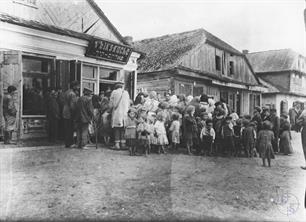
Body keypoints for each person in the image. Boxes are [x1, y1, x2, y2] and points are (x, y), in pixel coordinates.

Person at [109, 82, 130, 150]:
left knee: (117, 129)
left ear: (116, 87)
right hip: (125, 114)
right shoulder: (126, 93)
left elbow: (111, 104)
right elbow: (128, 104)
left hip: (117, 113)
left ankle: (117, 145)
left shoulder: (114, 92)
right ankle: (123, 144)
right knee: (123, 129)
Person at [62, 81, 79, 148]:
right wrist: (75, 113)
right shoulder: (73, 94)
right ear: (74, 86)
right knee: (70, 128)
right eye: (77, 86)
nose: (78, 87)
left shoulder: (67, 92)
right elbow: (72, 106)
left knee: (66, 128)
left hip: (64, 111)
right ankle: (70, 143)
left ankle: (67, 143)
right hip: (69, 113)